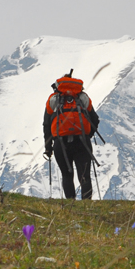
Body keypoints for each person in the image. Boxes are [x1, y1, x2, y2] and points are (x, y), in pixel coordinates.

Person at [43, 70, 100, 199]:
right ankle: (86, 204)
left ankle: (70, 205)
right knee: (84, 175)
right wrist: (87, 135)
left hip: (61, 143)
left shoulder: (54, 99)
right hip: (82, 141)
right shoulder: (82, 97)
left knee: (67, 175)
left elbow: (46, 124)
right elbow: (95, 119)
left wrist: (48, 147)